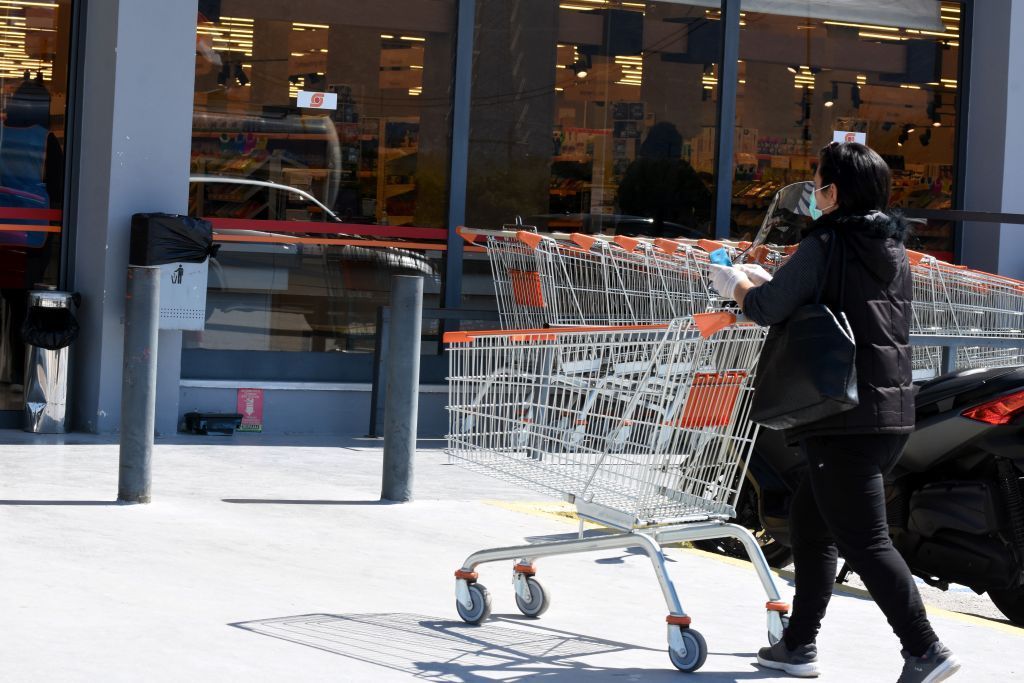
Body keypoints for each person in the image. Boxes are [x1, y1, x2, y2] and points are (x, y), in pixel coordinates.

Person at [709, 142, 960, 683]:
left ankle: (925, 649)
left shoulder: (828, 239)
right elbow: (841, 305)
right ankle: (797, 645)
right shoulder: (888, 247)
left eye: (818, 184)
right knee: (810, 526)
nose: (815, 195)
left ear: (835, 192)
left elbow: (770, 308)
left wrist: (736, 283)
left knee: (866, 541)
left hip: (841, 413)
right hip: (887, 409)